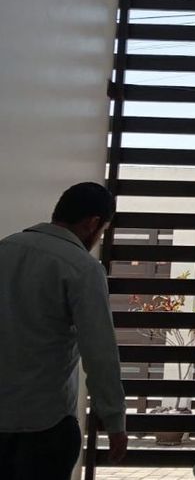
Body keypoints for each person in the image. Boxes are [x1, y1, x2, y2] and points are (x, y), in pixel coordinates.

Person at [0, 182, 127, 479]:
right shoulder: (82, 267)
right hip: (45, 425)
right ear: (93, 223)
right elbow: (99, 352)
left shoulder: (4, 249)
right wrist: (114, 421)